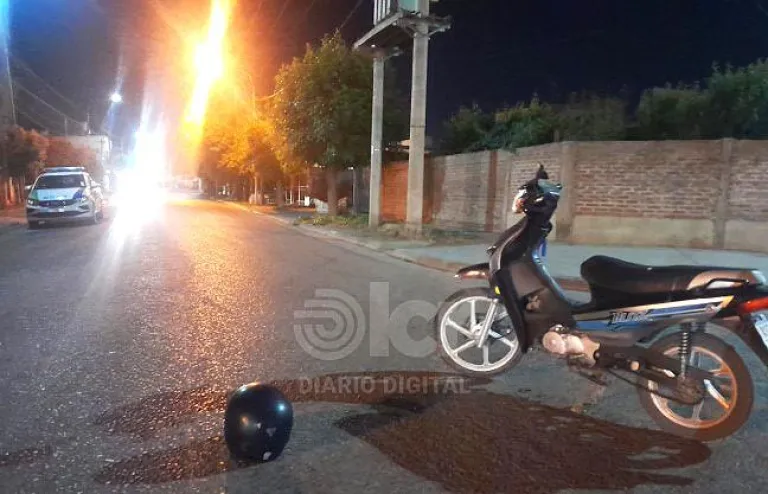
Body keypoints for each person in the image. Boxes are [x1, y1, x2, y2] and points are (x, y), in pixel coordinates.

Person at [512, 165, 549, 260]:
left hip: (535, 213)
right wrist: (539, 209)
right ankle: (527, 252)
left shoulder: (540, 188)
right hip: (529, 212)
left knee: (547, 226)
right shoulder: (530, 188)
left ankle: (532, 249)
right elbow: (524, 204)